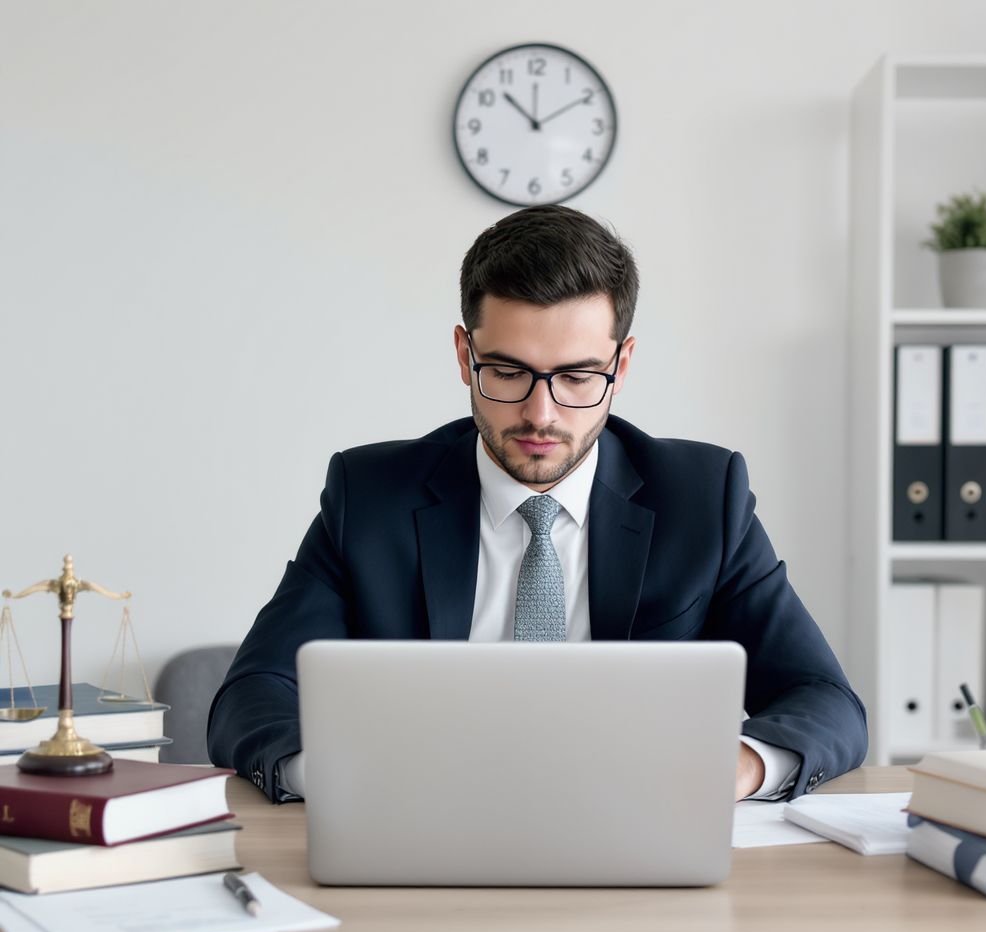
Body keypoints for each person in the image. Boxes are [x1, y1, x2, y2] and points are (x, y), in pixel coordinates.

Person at [207, 205, 867, 804]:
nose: (540, 413)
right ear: (466, 357)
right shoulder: (370, 495)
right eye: (509, 372)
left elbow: (826, 701)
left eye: (578, 377)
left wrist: (738, 767)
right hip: (424, 834)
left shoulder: (703, 497)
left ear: (622, 366)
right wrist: (334, 774)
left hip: (631, 836)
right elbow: (253, 694)